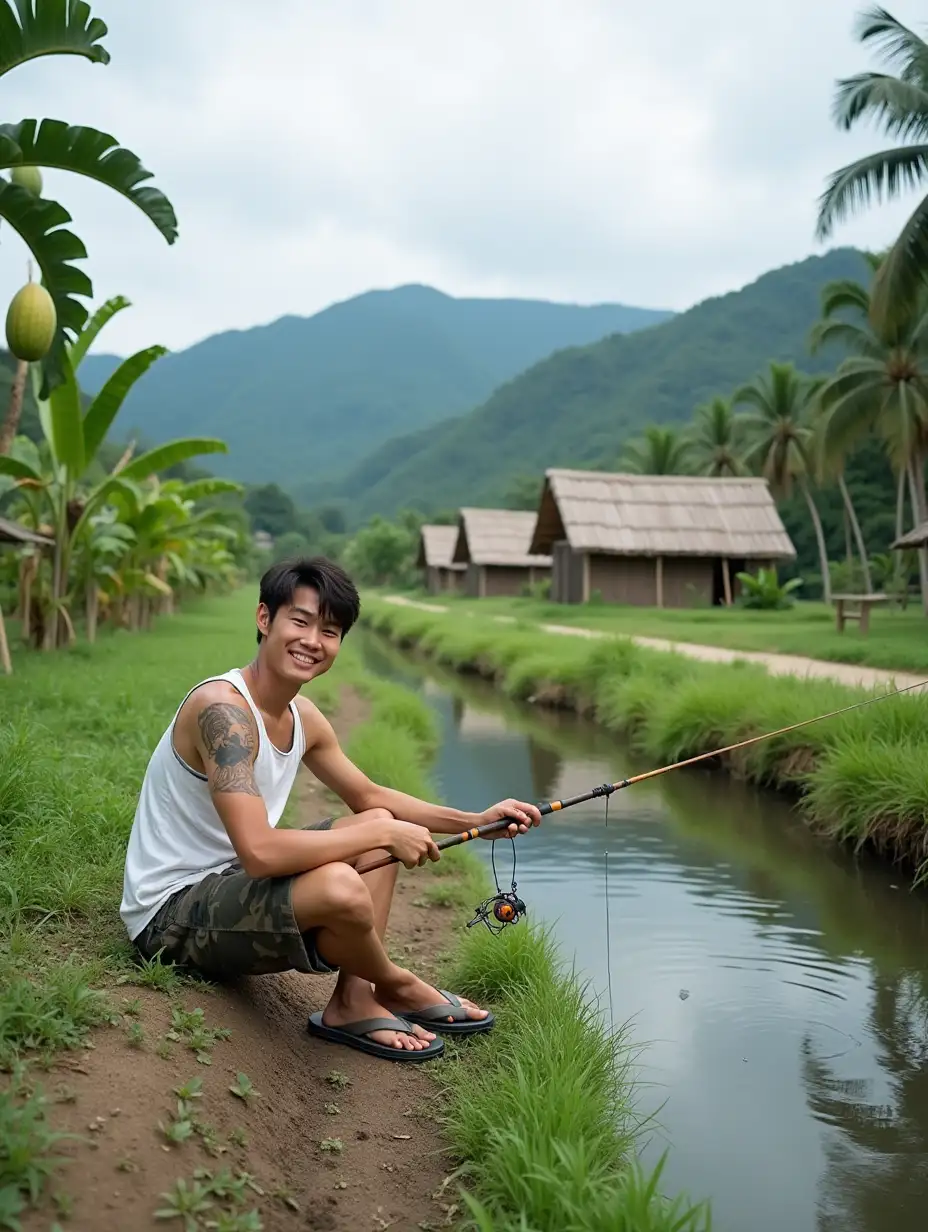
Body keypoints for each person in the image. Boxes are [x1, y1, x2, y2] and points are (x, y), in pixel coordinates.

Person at [120, 556, 542, 1062]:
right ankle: (397, 984)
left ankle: (354, 1000)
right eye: (299, 621)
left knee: (377, 822)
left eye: (330, 631)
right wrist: (381, 837)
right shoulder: (223, 712)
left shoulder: (302, 716)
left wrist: (475, 821)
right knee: (350, 873)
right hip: (170, 914)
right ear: (263, 619)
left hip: (226, 880)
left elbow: (370, 798)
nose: (312, 641)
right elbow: (258, 852)